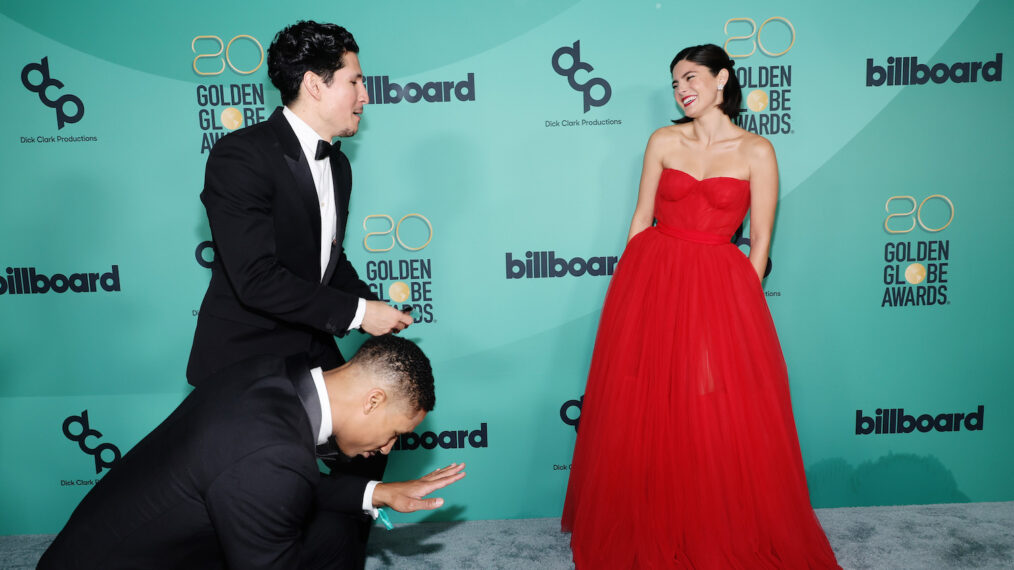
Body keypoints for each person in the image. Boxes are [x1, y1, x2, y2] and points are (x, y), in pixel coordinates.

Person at [561, 44, 840, 568]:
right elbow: (640, 220)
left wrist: (736, 307)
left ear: (722, 79)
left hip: (719, 286)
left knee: (709, 403)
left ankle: (708, 520)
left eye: (690, 78)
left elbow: (759, 246)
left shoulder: (757, 151)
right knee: (648, 403)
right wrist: (629, 294)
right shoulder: (663, 140)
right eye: (674, 83)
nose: (681, 89)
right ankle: (653, 517)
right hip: (653, 278)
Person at [39, 335, 466, 569]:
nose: (387, 447)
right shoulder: (271, 457)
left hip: (110, 545)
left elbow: (283, 485)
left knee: (335, 533)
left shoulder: (271, 373)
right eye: (393, 433)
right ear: (372, 401)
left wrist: (379, 494)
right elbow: (271, 476)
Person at [187, 20, 412, 385]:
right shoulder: (242, 155)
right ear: (313, 85)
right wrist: (358, 313)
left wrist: (374, 307)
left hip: (311, 354)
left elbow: (326, 259)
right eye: (354, 81)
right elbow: (257, 279)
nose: (365, 95)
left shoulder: (338, 165)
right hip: (245, 367)